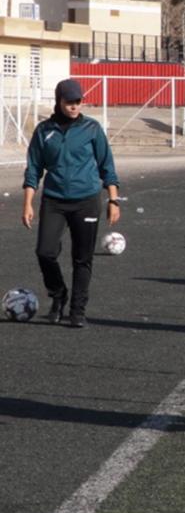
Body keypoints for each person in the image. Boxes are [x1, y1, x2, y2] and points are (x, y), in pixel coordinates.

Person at [21, 79, 121, 328]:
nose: (74, 106)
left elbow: (106, 165)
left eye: (78, 101)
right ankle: (58, 293)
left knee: (82, 257)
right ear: (59, 102)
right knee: (45, 251)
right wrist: (28, 204)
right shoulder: (44, 131)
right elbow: (34, 169)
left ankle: (77, 309)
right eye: (69, 102)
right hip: (54, 200)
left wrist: (113, 199)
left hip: (86, 201)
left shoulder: (92, 129)